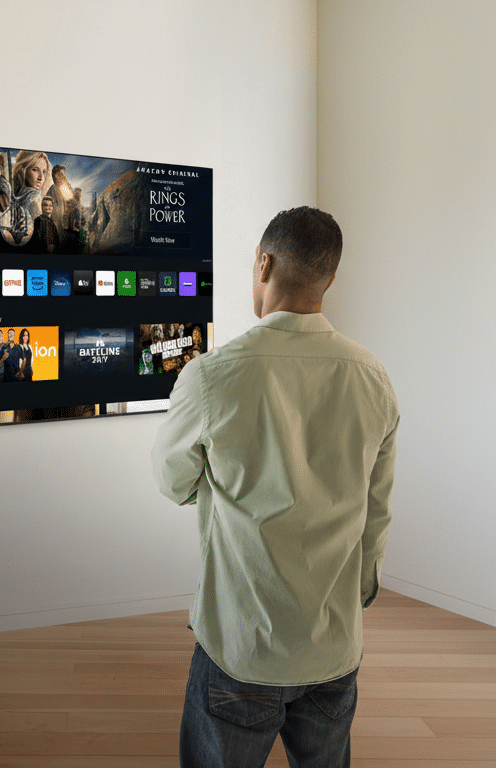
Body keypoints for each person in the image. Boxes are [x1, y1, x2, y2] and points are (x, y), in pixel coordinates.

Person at [151, 207, 398, 768]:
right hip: (334, 646)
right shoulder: (373, 377)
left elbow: (171, 481)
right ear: (330, 279)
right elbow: (376, 512)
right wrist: (352, 599)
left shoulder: (212, 376)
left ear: (262, 263)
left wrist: (211, 489)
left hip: (243, 648)